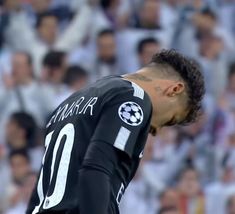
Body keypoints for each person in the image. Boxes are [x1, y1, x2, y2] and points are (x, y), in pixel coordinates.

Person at [27, 49, 205, 214]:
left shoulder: (71, 102)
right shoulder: (133, 98)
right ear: (175, 89)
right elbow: (96, 168)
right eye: (170, 120)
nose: (157, 130)